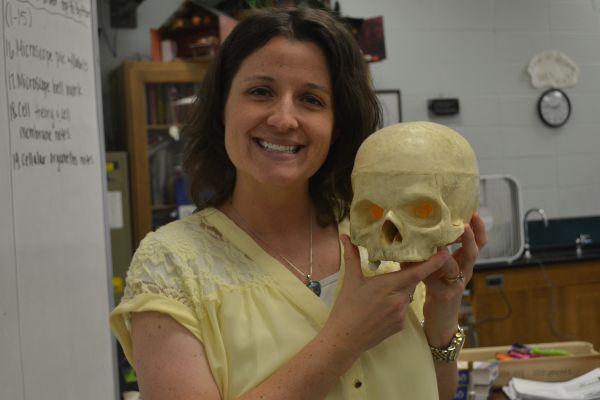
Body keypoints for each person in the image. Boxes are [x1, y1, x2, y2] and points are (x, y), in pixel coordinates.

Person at [110, 7, 487, 400]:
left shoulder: (384, 234)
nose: (284, 119)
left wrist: (442, 319)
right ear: (222, 107)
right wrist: (343, 341)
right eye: (261, 92)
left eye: (311, 99)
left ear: (336, 124)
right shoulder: (169, 266)